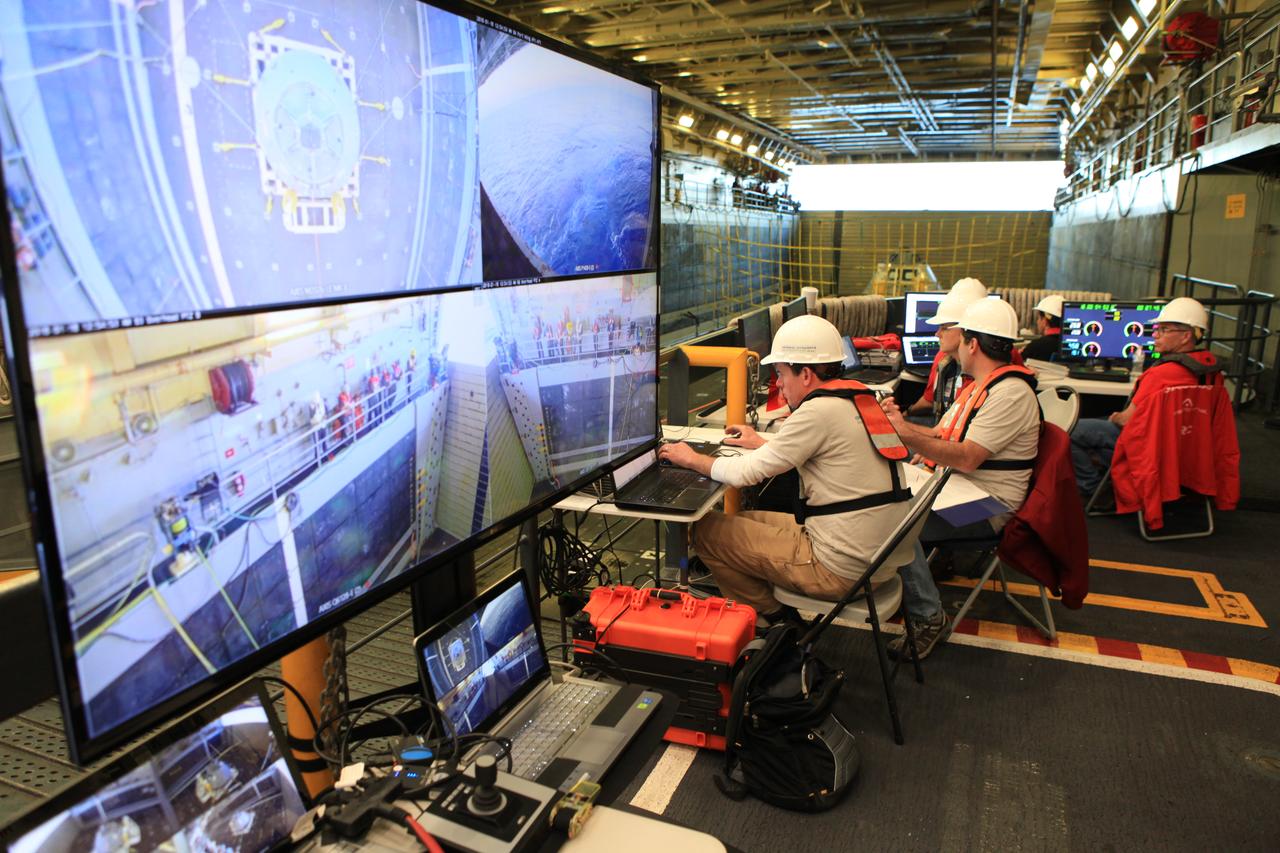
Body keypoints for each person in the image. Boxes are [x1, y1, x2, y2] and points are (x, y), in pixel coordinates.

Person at [658, 315, 914, 630]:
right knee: (738, 523)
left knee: (705, 532)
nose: (778, 383)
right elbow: (825, 447)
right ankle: (771, 609)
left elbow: (744, 474)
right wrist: (764, 442)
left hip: (840, 569)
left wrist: (691, 458)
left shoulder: (816, 411)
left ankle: (777, 620)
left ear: (805, 374)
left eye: (780, 373)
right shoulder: (859, 397)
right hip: (877, 558)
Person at [880, 298, 1042, 660]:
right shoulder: (980, 386)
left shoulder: (1010, 393)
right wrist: (900, 424)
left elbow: (968, 457)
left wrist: (905, 435)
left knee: (897, 523)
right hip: (963, 487)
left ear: (973, 344)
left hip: (989, 504)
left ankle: (929, 617)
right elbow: (940, 433)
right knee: (888, 491)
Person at [1070, 296, 1218, 499]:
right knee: (1099, 428)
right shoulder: (1211, 371)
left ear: (1186, 336)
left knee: (1069, 431)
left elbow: (1126, 421)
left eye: (1164, 330)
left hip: (1149, 447)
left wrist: (1116, 417)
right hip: (1184, 451)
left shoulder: (1160, 375)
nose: (1155, 335)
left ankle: (1095, 489)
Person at [903, 277, 988, 426]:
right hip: (946, 427)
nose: (937, 334)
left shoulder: (988, 367)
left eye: (944, 327)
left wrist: (905, 417)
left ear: (966, 330)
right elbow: (931, 400)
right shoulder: (942, 359)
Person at [1020, 295, 1064, 362]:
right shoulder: (1069, 346)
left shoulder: (1035, 346)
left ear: (1044, 320)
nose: (1037, 321)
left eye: (1038, 318)